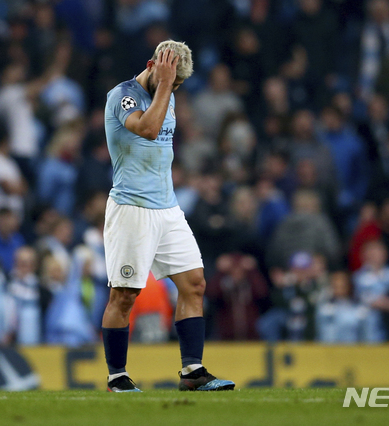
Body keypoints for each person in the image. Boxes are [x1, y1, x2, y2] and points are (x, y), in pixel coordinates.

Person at [101, 40, 234, 392]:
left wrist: (165, 87)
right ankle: (117, 377)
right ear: (153, 65)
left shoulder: (167, 95)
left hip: (168, 209)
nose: (174, 89)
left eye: (177, 85)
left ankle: (193, 371)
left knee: (195, 284)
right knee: (124, 295)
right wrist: (163, 86)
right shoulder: (122, 96)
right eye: (171, 80)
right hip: (131, 209)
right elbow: (146, 128)